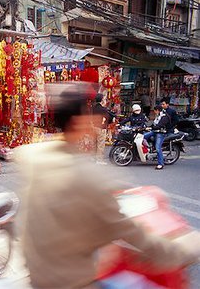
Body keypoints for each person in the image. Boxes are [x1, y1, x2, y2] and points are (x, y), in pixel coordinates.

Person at [14, 83, 198, 289]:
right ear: (79, 121)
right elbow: (134, 235)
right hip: (71, 282)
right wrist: (184, 251)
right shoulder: (90, 177)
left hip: (36, 275)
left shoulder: (32, 156)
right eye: (89, 112)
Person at [144, 105, 171, 170]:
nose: (154, 112)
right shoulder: (158, 116)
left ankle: (160, 164)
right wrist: (147, 127)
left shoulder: (164, 117)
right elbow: (154, 124)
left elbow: (160, 125)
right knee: (143, 136)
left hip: (161, 133)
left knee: (158, 148)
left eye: (155, 111)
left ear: (157, 110)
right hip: (155, 131)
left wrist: (151, 128)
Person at [92, 93, 114, 165]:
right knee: (100, 144)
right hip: (101, 127)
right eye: (104, 99)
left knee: (95, 143)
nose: (105, 101)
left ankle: (94, 157)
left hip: (94, 127)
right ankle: (99, 159)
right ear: (102, 101)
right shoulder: (103, 109)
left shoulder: (93, 107)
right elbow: (108, 118)